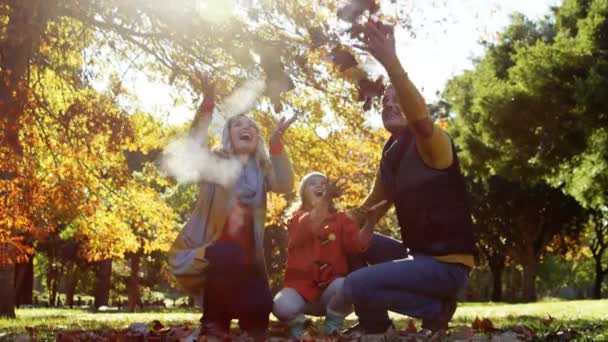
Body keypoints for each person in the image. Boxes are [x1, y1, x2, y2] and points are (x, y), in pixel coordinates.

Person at [342, 21, 476, 338]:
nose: (389, 103)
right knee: (347, 239)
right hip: (418, 259)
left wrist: (391, 63)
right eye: (385, 102)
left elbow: (421, 119)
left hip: (447, 267)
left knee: (357, 283)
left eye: (396, 99)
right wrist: (323, 220)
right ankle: (375, 323)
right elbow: (365, 211)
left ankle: (435, 310)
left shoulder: (434, 143)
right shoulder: (390, 155)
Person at [168, 80, 295, 341]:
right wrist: (207, 106)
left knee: (259, 318)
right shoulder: (215, 163)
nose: (246, 127)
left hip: (250, 263)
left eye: (251, 127)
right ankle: (213, 323)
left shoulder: (262, 170)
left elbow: (285, 184)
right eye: (238, 124)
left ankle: (243, 314)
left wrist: (276, 144)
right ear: (228, 135)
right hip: (215, 255)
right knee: (228, 253)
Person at [272, 172, 374, 338]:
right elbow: (310, 224)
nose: (319, 186)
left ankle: (331, 327)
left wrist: (370, 222)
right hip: (300, 292)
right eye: (313, 183)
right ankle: (301, 326)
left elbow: (357, 245)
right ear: (303, 192)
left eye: (323, 183)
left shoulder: (342, 218)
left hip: (331, 292)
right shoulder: (296, 218)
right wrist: (325, 200)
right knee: (281, 305)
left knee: (346, 284)